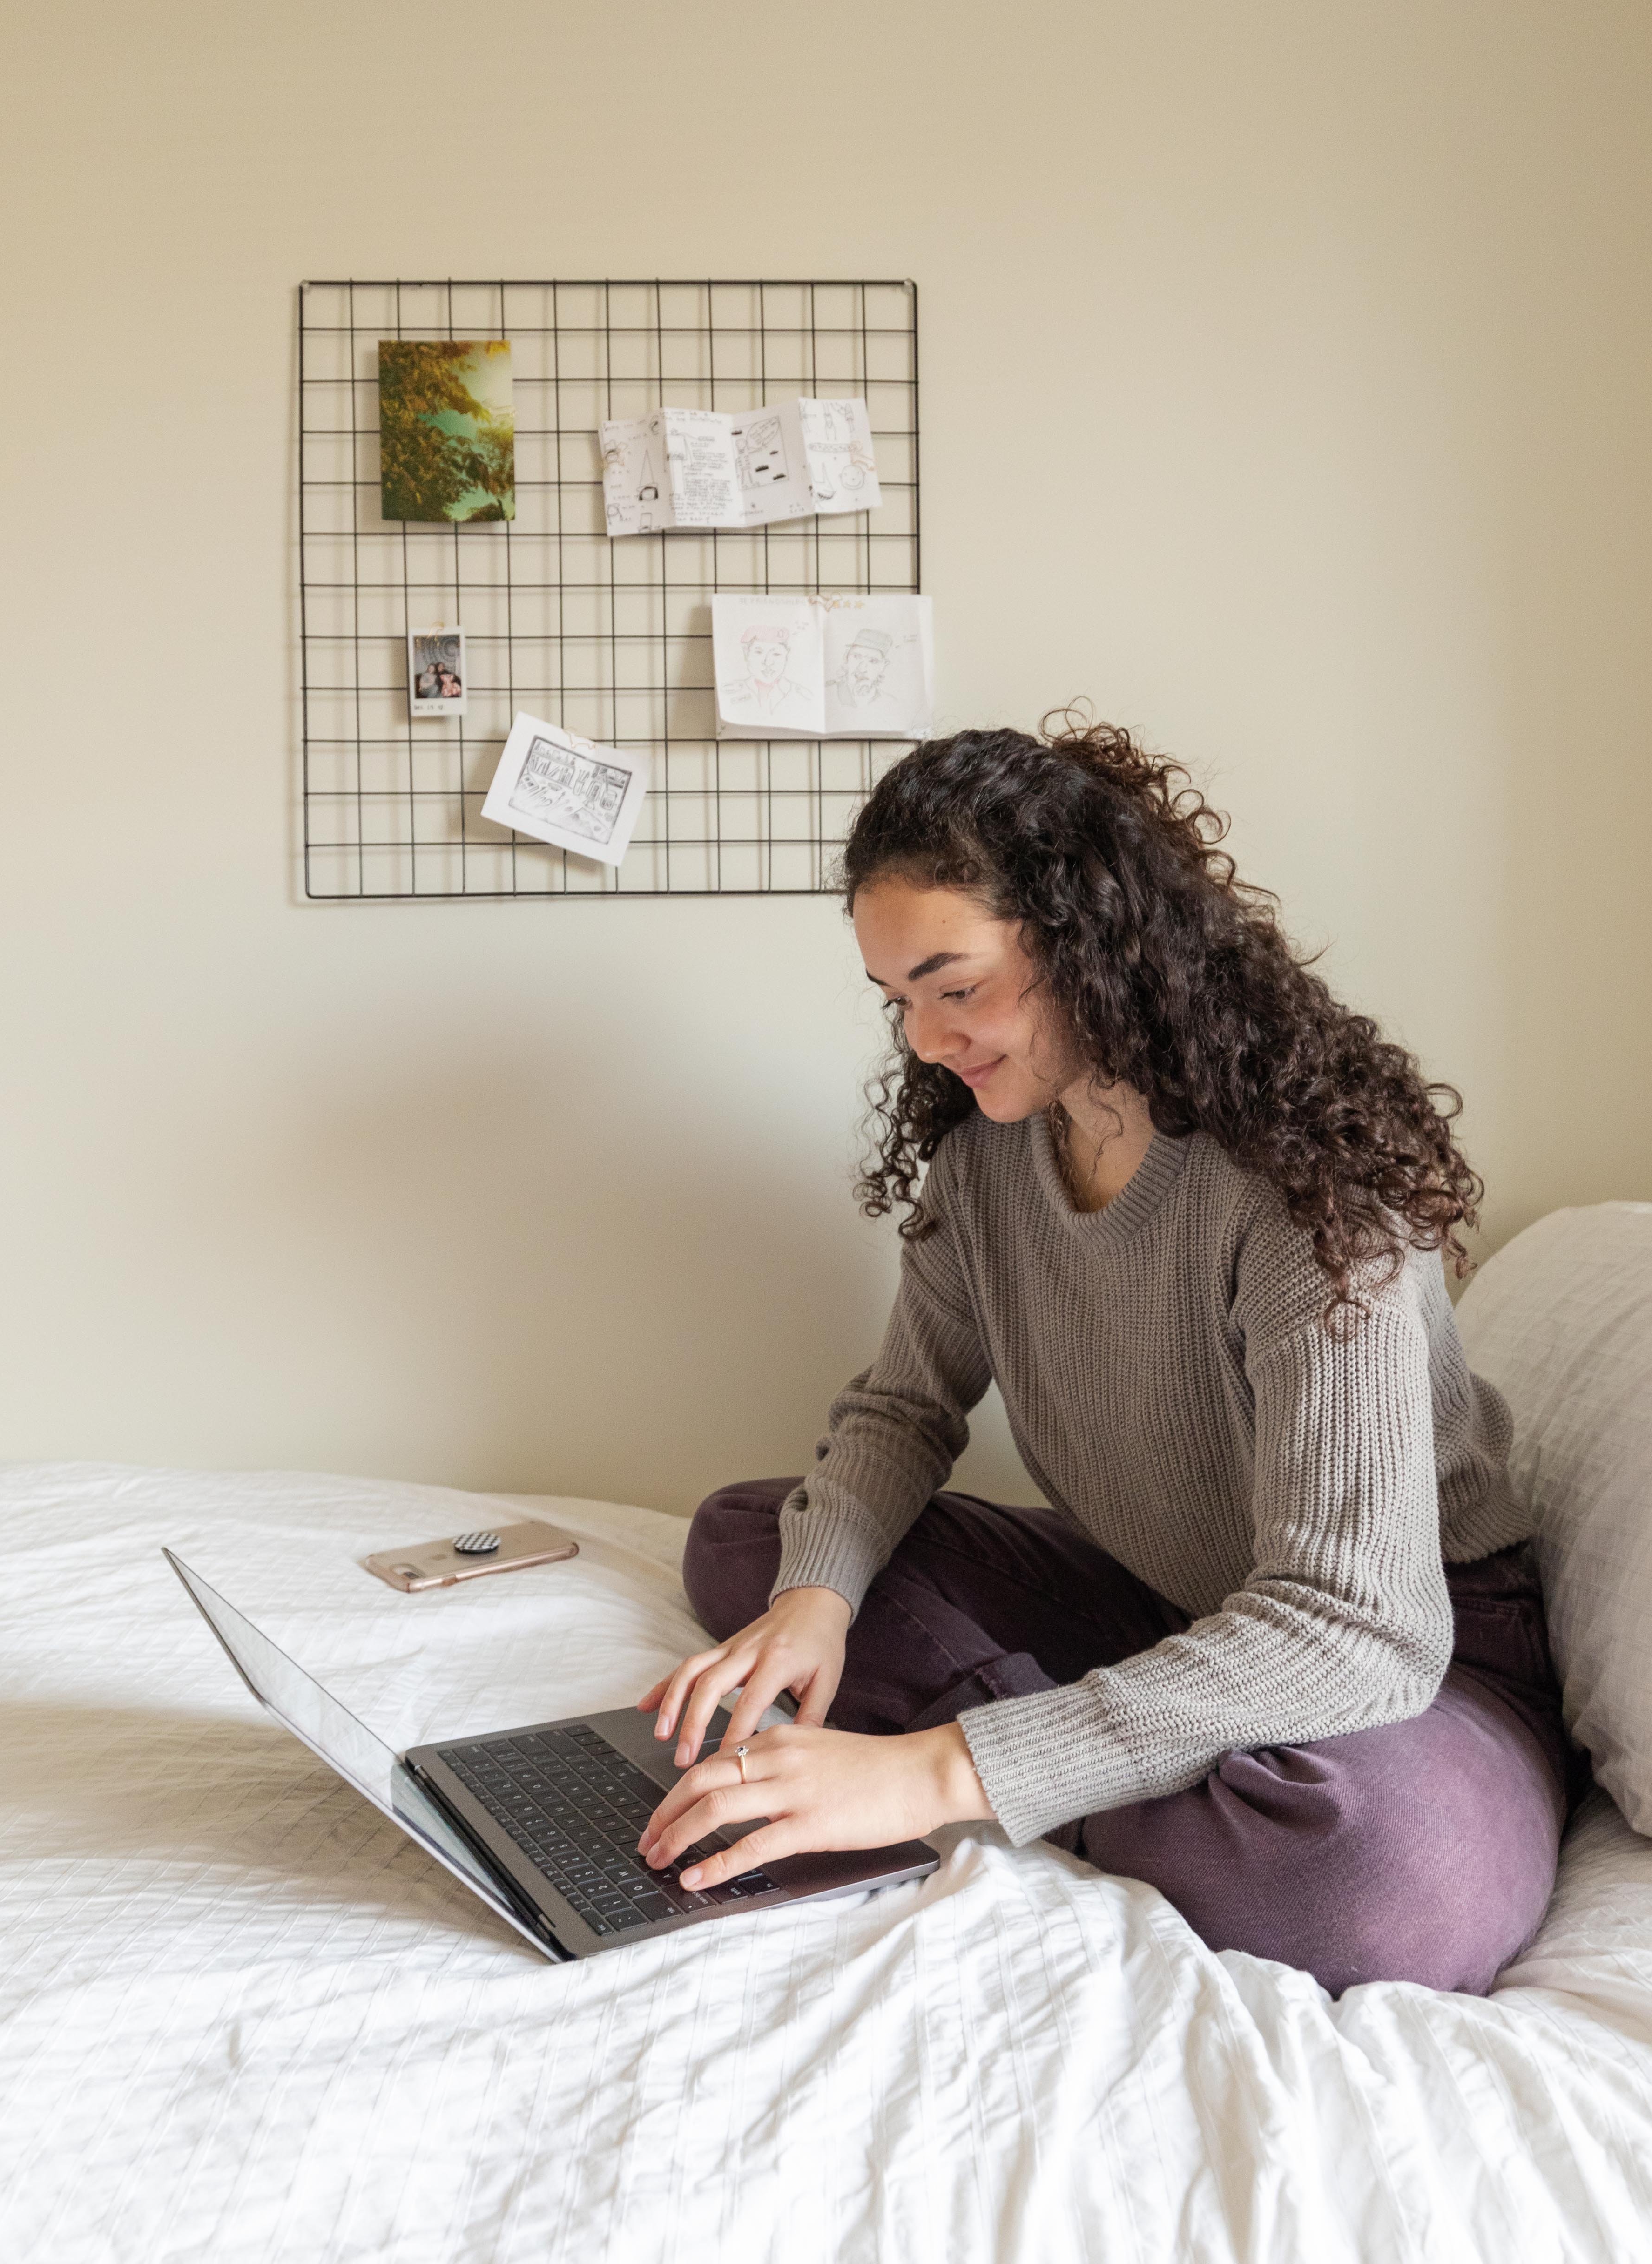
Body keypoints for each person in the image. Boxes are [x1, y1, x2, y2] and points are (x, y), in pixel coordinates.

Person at [638, 717, 1581, 1995]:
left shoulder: (1309, 1190)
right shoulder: (985, 1168)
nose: (925, 1040)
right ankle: (1127, 1752)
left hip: (1419, 1656)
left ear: (1088, 936)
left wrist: (940, 1773)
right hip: (1176, 1602)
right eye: (899, 1001)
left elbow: (1358, 1626)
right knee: (758, 1550)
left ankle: (1057, 1757)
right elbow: (905, 1411)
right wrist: (815, 1603)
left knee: (1372, 1892)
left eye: (955, 985)